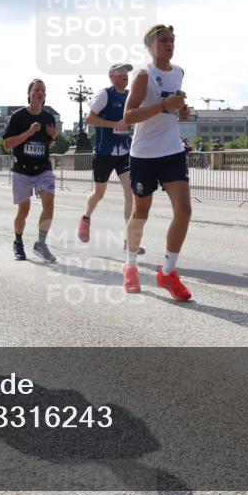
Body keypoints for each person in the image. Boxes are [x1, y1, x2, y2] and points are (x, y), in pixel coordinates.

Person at [122, 24, 193, 301]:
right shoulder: (143, 75)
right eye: (164, 40)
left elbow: (173, 108)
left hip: (172, 150)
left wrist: (182, 110)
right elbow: (129, 116)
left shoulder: (179, 73)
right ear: (150, 46)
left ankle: (168, 272)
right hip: (144, 154)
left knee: (184, 210)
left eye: (172, 40)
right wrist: (164, 106)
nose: (169, 44)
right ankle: (130, 265)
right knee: (141, 213)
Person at [78, 63, 143, 254]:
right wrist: (114, 124)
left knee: (130, 193)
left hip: (123, 152)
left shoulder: (130, 96)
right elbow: (89, 119)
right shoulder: (105, 94)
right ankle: (86, 218)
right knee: (99, 194)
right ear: (111, 76)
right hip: (104, 152)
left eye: (127, 73)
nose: (125, 76)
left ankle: (129, 240)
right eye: (121, 73)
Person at [3, 79, 58, 263]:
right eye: (36, 90)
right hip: (22, 169)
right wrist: (28, 133)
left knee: (49, 204)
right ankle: (18, 241)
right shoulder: (18, 117)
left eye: (43, 90)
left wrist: (53, 137)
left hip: (43, 168)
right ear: (29, 94)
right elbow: (7, 144)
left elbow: (48, 144)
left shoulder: (49, 118)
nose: (40, 92)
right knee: (24, 210)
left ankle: (41, 244)